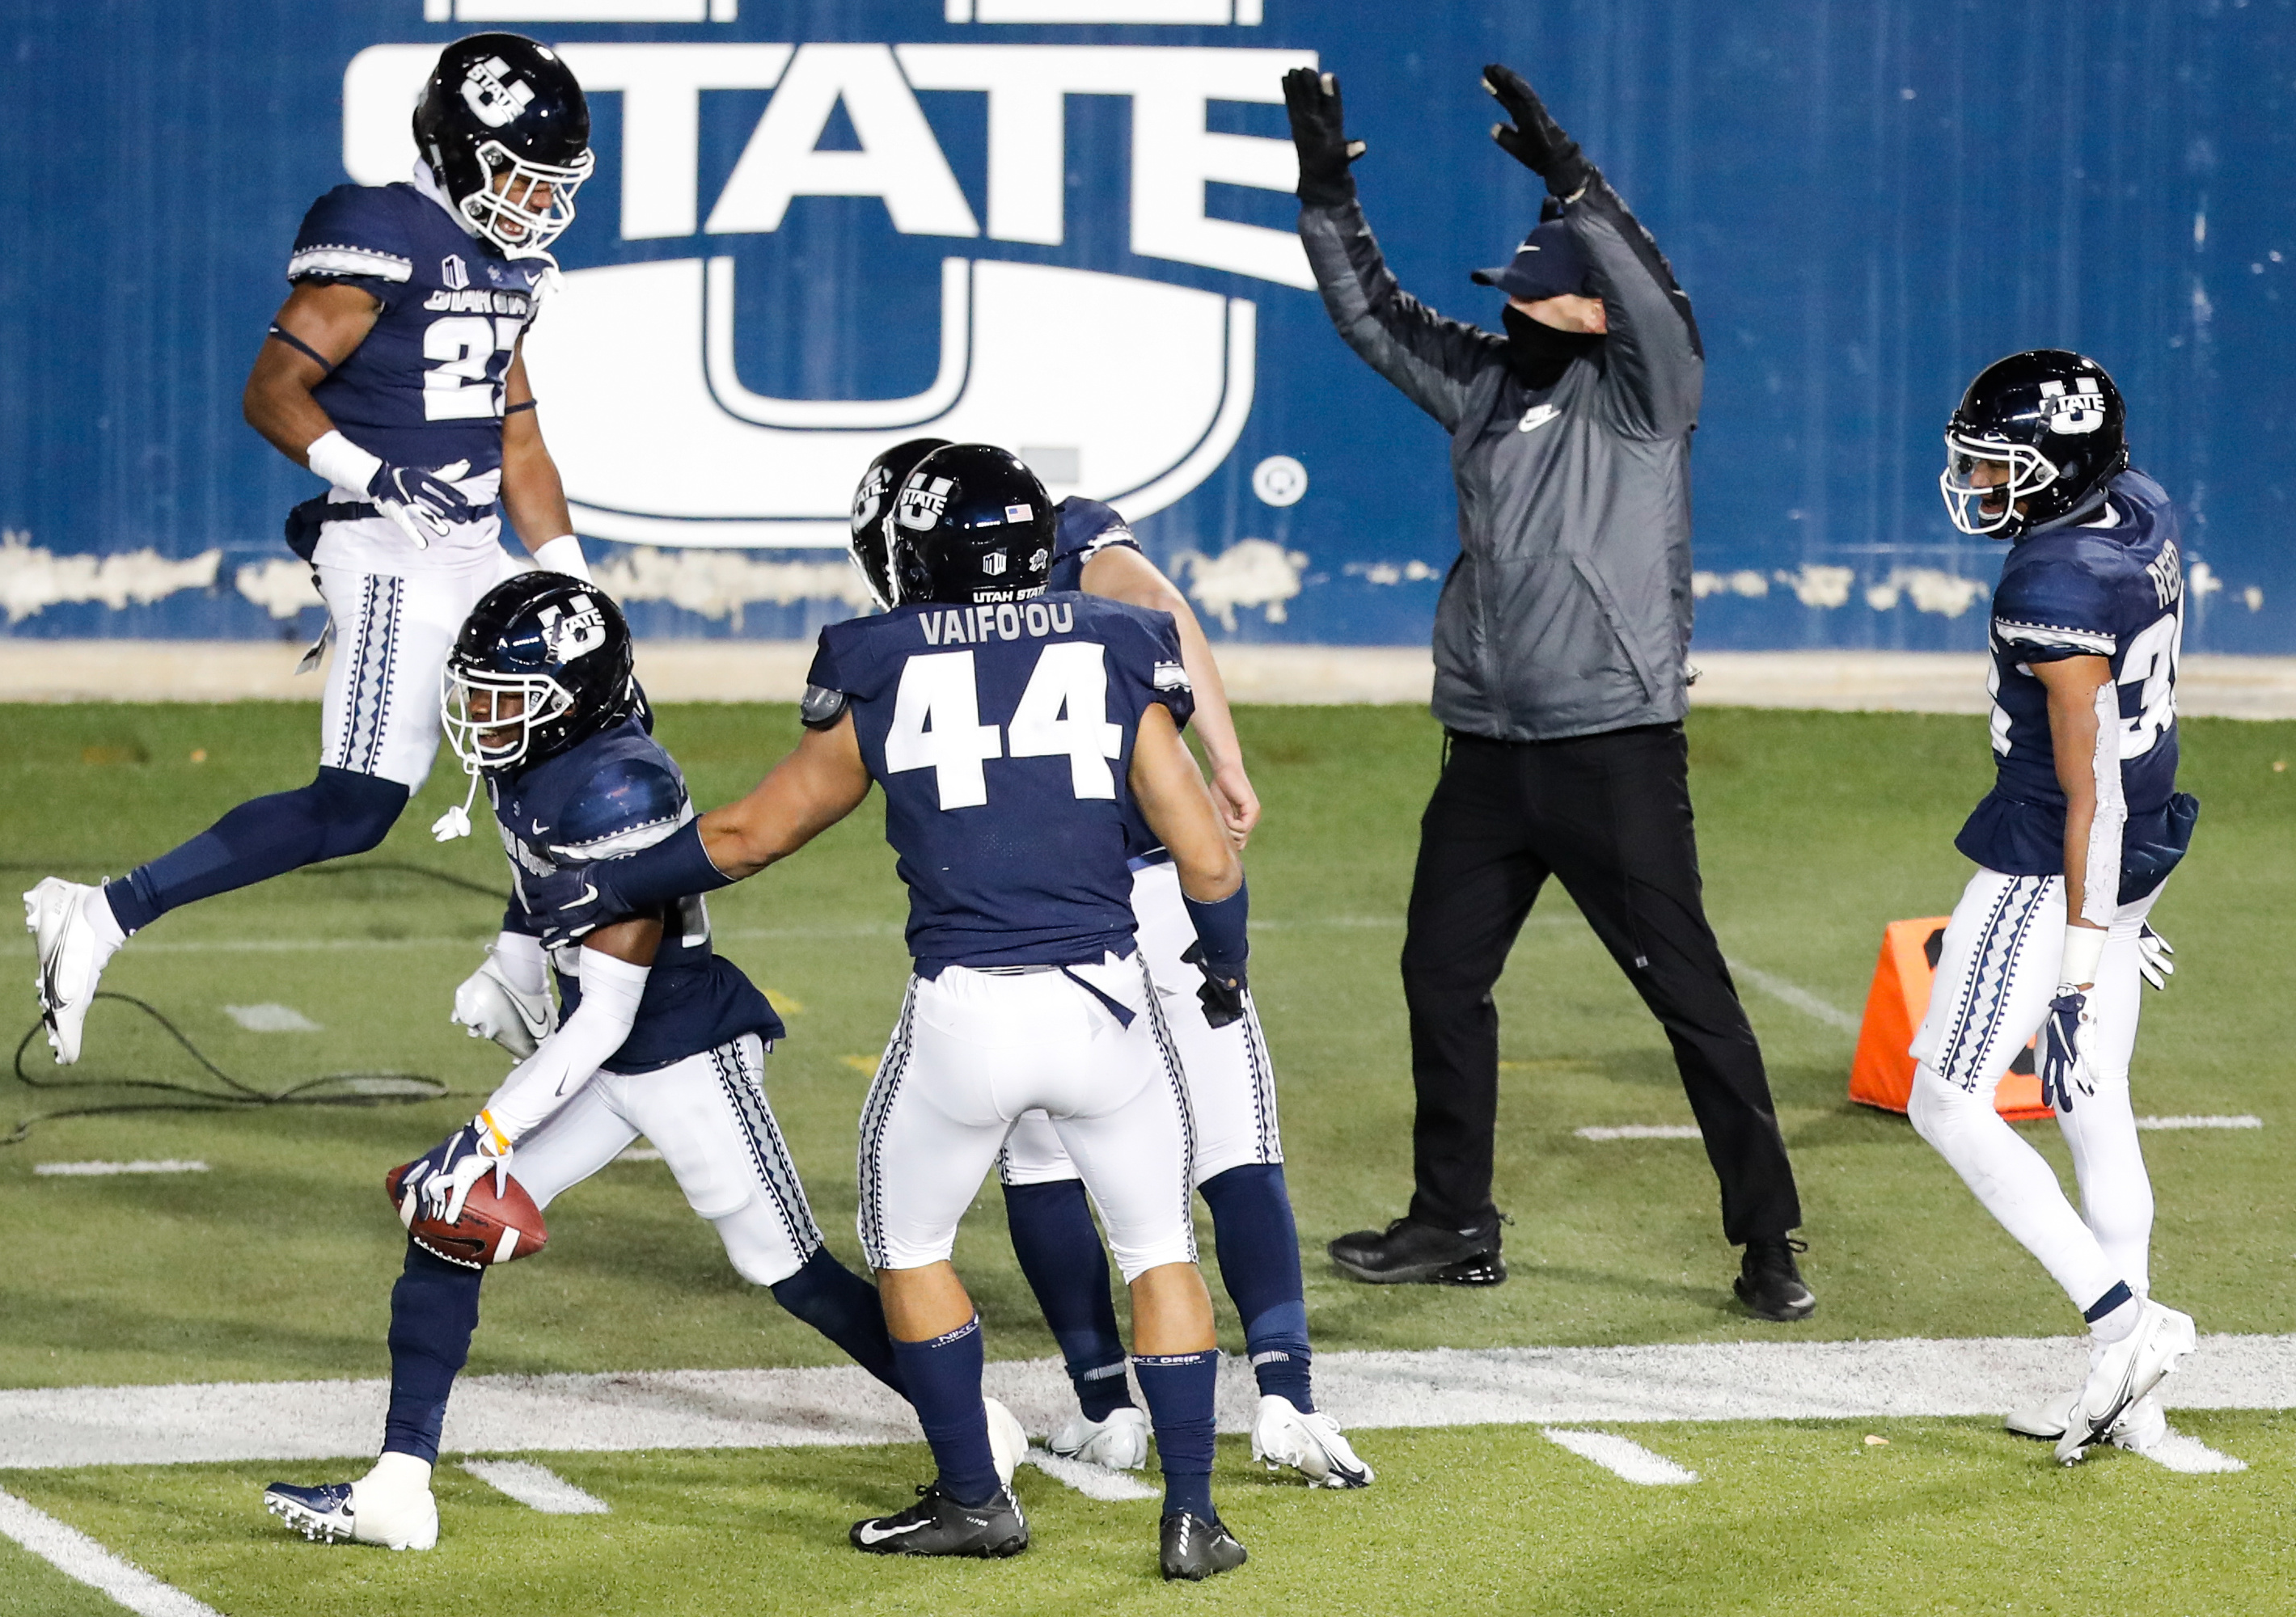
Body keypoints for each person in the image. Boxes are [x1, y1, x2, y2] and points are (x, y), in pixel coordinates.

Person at [559, 445, 1253, 1577]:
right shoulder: (1118, 645)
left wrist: (606, 883)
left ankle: (977, 1501)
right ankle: (1193, 1518)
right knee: (1161, 1250)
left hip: (967, 1016)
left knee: (906, 1241)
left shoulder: (881, 660)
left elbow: (750, 837)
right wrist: (1220, 963)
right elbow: (1207, 857)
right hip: (1108, 1009)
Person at [261, 573, 1022, 1549]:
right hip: (602, 1042)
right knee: (448, 1223)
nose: (483, 718)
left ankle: (977, 1426)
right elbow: (541, 881)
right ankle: (399, 1483)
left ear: (570, 699)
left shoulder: (621, 784)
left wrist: (487, 1127)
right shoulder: (543, 755)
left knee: (793, 1272)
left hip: (679, 1051)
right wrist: (514, 959)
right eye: (480, 693)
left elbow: (611, 1016)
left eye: (507, 697)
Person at [1282, 62, 1812, 1317]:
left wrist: (1580, 187)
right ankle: (1453, 1221)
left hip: (1612, 750)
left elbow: (1658, 309)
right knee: (1439, 977)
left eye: (1536, 299)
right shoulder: (1479, 387)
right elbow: (1372, 318)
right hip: (1485, 752)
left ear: (1589, 314)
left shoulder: (1646, 400)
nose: (1509, 315)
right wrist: (1323, 199)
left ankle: (1769, 1239)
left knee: (1686, 993)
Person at [24, 33, 599, 1066]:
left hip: (466, 545)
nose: (537, 200)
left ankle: (518, 967)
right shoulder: (379, 231)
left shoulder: (507, 262)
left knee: (593, 714)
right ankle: (101, 912)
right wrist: (375, 473)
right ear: (459, 149)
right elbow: (270, 393)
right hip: (384, 545)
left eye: (550, 180)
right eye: (518, 171)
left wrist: (567, 570)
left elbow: (518, 436)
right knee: (356, 805)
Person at [846, 442, 1367, 1485]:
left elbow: (1152, 606)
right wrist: (1222, 761)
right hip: (1151, 883)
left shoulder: (995, 570)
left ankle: (1104, 1404)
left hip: (1042, 911)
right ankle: (1283, 1397)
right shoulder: (1064, 541)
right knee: (1225, 1134)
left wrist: (1215, 761)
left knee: (1043, 1158)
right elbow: (1164, 610)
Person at [1907, 351, 2199, 1464]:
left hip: (2053, 857)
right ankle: (2137, 1389)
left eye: (1999, 469)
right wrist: (2127, 906)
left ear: (2055, 467)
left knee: (1947, 1099)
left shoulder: (2050, 588)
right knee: (2091, 1089)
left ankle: (2129, 1324)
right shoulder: (2140, 506)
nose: (1982, 487)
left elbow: (2089, 788)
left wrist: (2084, 942)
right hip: (2136, 842)